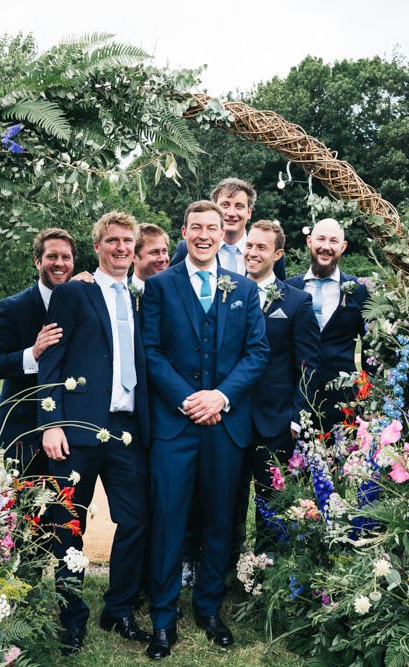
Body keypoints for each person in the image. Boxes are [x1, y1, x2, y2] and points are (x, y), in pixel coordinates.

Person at [141, 200, 269, 659]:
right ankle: (162, 618)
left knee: (219, 520)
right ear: (184, 231)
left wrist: (220, 396)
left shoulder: (243, 288)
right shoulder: (158, 286)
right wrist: (188, 399)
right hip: (175, 428)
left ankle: (209, 608)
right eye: (195, 227)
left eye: (211, 228)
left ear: (222, 233)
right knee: (169, 520)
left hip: (225, 425)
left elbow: (256, 352)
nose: (203, 235)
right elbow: (151, 352)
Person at [38, 211, 151, 656]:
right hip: (77, 430)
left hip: (126, 428)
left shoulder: (142, 296)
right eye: (112, 241)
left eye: (128, 241)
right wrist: (52, 421)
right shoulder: (73, 294)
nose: (121, 248)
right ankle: (71, 616)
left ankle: (118, 607)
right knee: (68, 524)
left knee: (137, 518)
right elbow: (51, 361)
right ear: (98, 246)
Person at [237, 220, 320, 551]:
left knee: (273, 502)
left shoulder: (297, 301)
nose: (253, 253)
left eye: (261, 247)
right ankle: (229, 571)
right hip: (230, 416)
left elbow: (308, 366)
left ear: (278, 253)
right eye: (250, 246)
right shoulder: (224, 291)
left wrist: (297, 416)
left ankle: (267, 571)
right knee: (226, 500)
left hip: (276, 419)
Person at [0, 228, 76, 476]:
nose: (59, 263)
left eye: (66, 257)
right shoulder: (11, 308)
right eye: (52, 257)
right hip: (22, 435)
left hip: (71, 435)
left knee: (66, 513)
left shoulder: (83, 304)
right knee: (21, 513)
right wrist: (32, 353)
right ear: (37, 262)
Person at [286, 218, 368, 428]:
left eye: (333, 241)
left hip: (344, 401)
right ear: (309, 241)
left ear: (343, 246)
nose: (326, 247)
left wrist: (370, 397)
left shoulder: (359, 290)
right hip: (294, 397)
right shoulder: (288, 289)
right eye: (320, 239)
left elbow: (371, 351)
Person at [170, 178, 286, 280]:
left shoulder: (270, 252)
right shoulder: (186, 249)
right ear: (214, 209)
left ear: (249, 212)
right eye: (225, 205)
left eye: (239, 206)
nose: (231, 213)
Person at [132, 223, 170, 289]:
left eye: (164, 251)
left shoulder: (179, 289)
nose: (162, 259)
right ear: (134, 257)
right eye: (154, 252)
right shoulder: (122, 293)